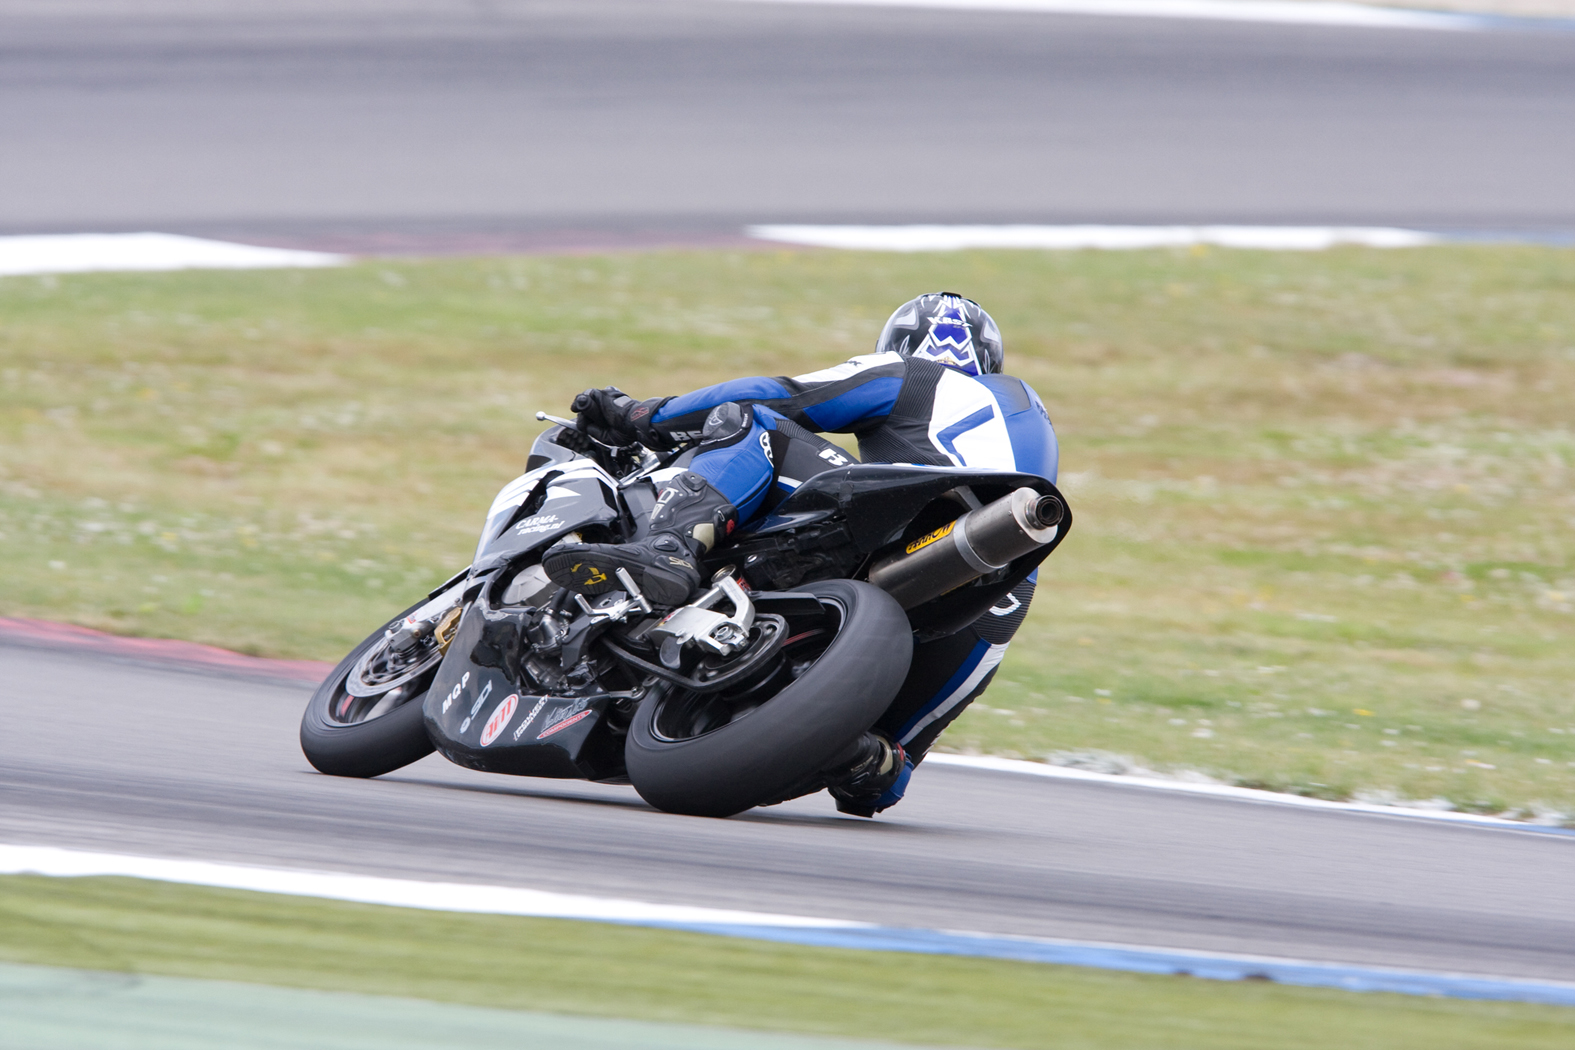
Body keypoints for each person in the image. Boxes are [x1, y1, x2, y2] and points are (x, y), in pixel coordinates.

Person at [542, 293, 1059, 816]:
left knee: (749, 420)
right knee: (887, 761)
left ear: (897, 344)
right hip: (1006, 586)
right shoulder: (1030, 419)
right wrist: (888, 762)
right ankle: (864, 755)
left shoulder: (916, 374)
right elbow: (895, 769)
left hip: (911, 515)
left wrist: (640, 415)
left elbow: (783, 396)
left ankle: (669, 548)